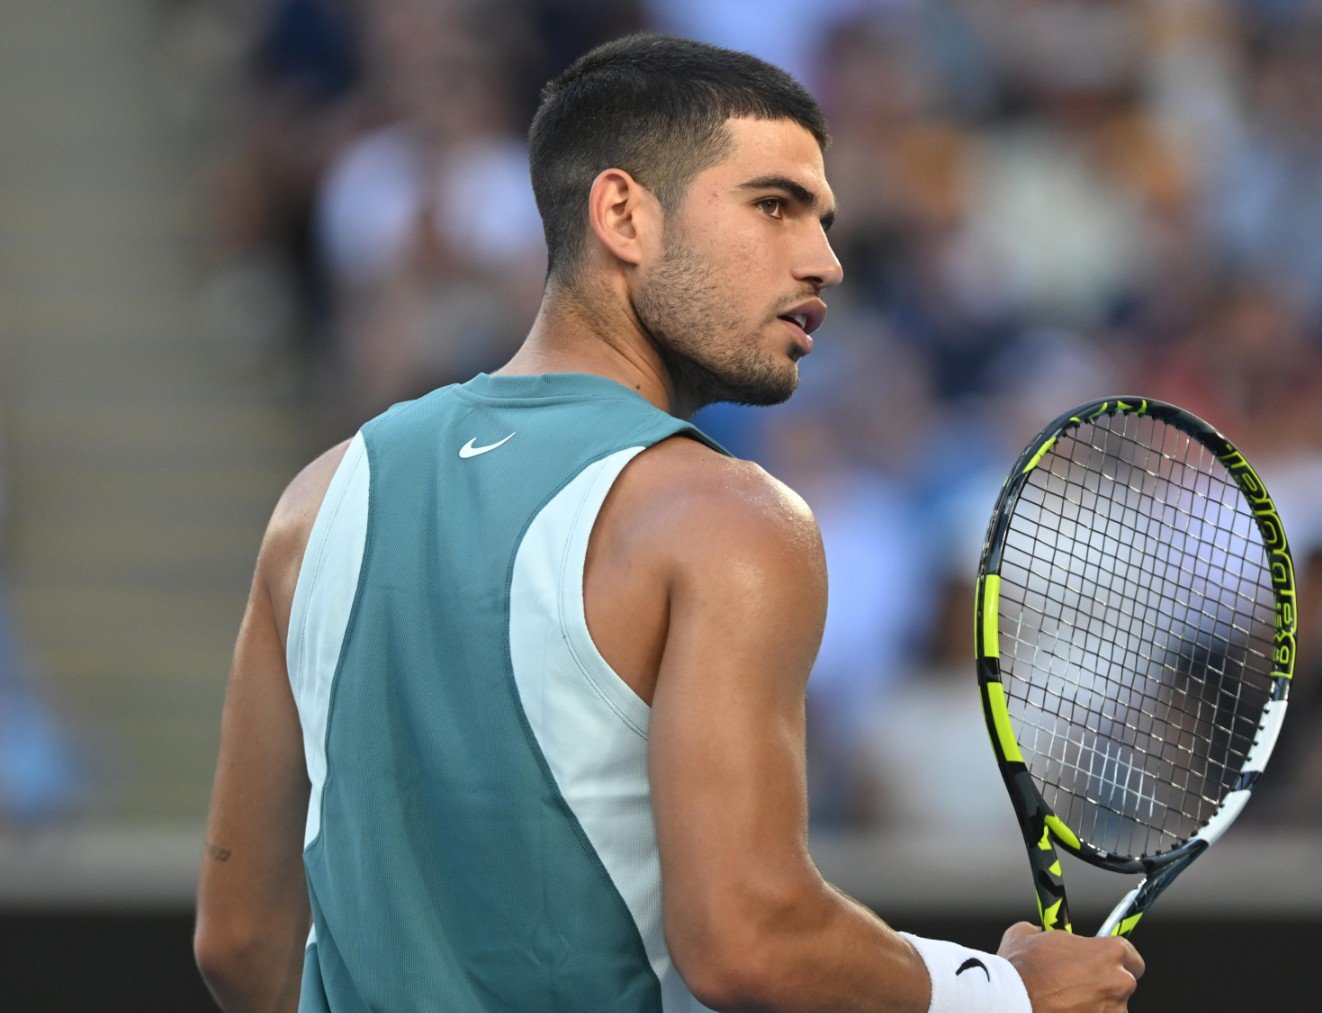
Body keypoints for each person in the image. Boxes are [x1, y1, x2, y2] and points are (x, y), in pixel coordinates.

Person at [194, 33, 1142, 1012]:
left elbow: (238, 937)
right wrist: (1001, 990)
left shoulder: (317, 499)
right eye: (774, 206)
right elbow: (748, 934)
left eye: (823, 218)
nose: (825, 261)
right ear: (622, 214)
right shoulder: (729, 519)